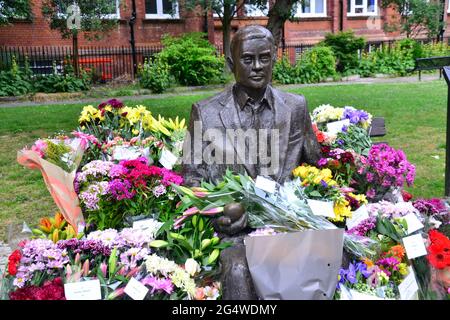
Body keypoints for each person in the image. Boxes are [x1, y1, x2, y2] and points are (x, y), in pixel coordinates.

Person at [181, 25, 321, 299]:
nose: (257, 66)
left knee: (334, 254)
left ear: (274, 59)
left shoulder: (295, 106)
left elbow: (315, 169)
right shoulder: (206, 113)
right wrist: (219, 214)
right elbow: (192, 180)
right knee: (237, 271)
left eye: (265, 58)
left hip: (289, 224)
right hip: (238, 234)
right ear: (232, 63)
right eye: (247, 59)